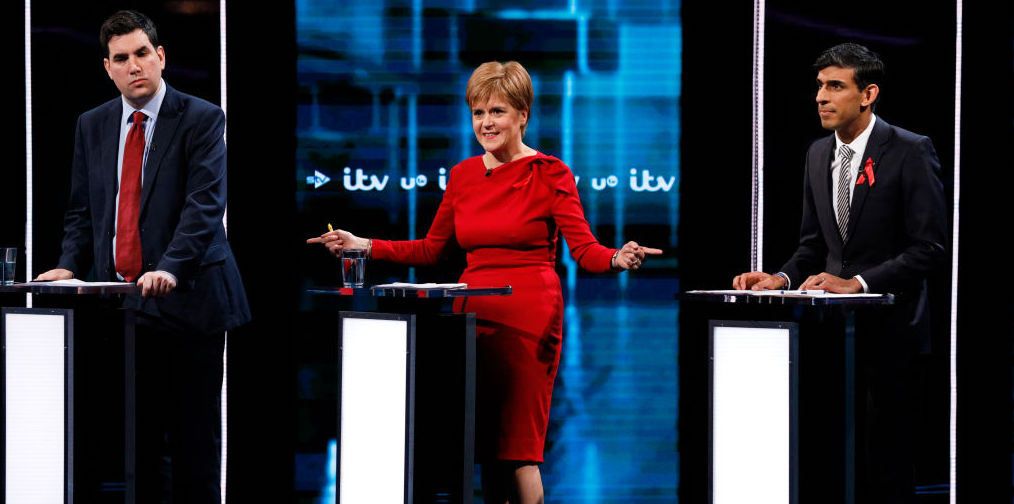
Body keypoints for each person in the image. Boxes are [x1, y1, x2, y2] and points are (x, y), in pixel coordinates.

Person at [309, 61, 661, 504]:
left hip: (528, 315)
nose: (485, 123)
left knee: (517, 449)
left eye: (496, 111)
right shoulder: (462, 176)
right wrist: (364, 244)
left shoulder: (550, 173)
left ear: (522, 116)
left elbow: (583, 250)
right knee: (481, 446)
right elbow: (432, 251)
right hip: (471, 314)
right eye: (478, 112)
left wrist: (615, 257)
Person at [36, 10, 250, 503]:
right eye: (120, 58)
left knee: (195, 442)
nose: (133, 66)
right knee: (140, 441)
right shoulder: (91, 124)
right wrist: (70, 262)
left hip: (192, 300)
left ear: (160, 57)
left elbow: (204, 206)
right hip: (124, 305)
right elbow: (81, 210)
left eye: (141, 54)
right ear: (107, 68)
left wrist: (170, 267)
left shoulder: (201, 117)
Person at [733, 43, 948, 502]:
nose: (820, 97)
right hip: (831, 336)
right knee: (831, 461)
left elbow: (930, 247)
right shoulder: (816, 154)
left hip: (893, 334)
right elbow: (814, 245)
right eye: (819, 87)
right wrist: (781, 278)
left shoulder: (911, 150)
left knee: (885, 465)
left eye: (835, 87)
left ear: (868, 94)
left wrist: (860, 283)